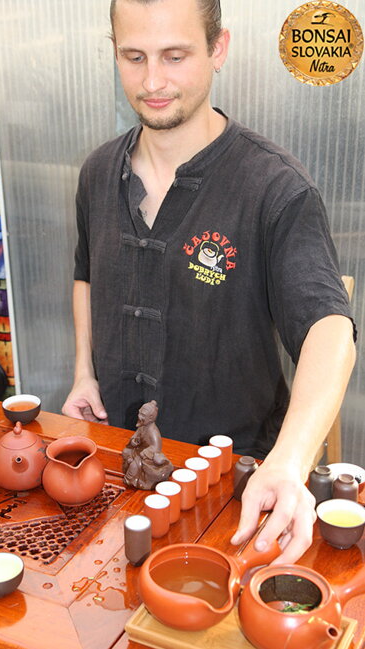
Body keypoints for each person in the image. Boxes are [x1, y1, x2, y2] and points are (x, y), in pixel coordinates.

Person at [63, 0, 356, 564]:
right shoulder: (98, 172)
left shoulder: (274, 187)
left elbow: (330, 329)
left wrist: (288, 463)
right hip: (115, 477)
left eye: (175, 56)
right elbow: (85, 274)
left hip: (234, 492)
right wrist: (82, 373)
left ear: (218, 49)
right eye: (133, 56)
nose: (152, 81)